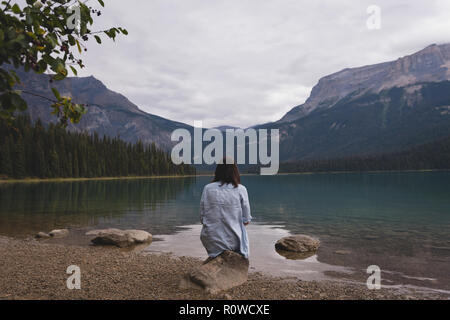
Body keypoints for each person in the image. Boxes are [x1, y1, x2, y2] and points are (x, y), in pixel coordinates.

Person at [200, 157, 252, 259]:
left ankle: (216, 251)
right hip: (233, 243)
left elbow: (202, 218)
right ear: (235, 171)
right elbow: (246, 220)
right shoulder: (241, 189)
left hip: (211, 241)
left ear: (218, 171)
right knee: (241, 227)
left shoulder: (207, 188)